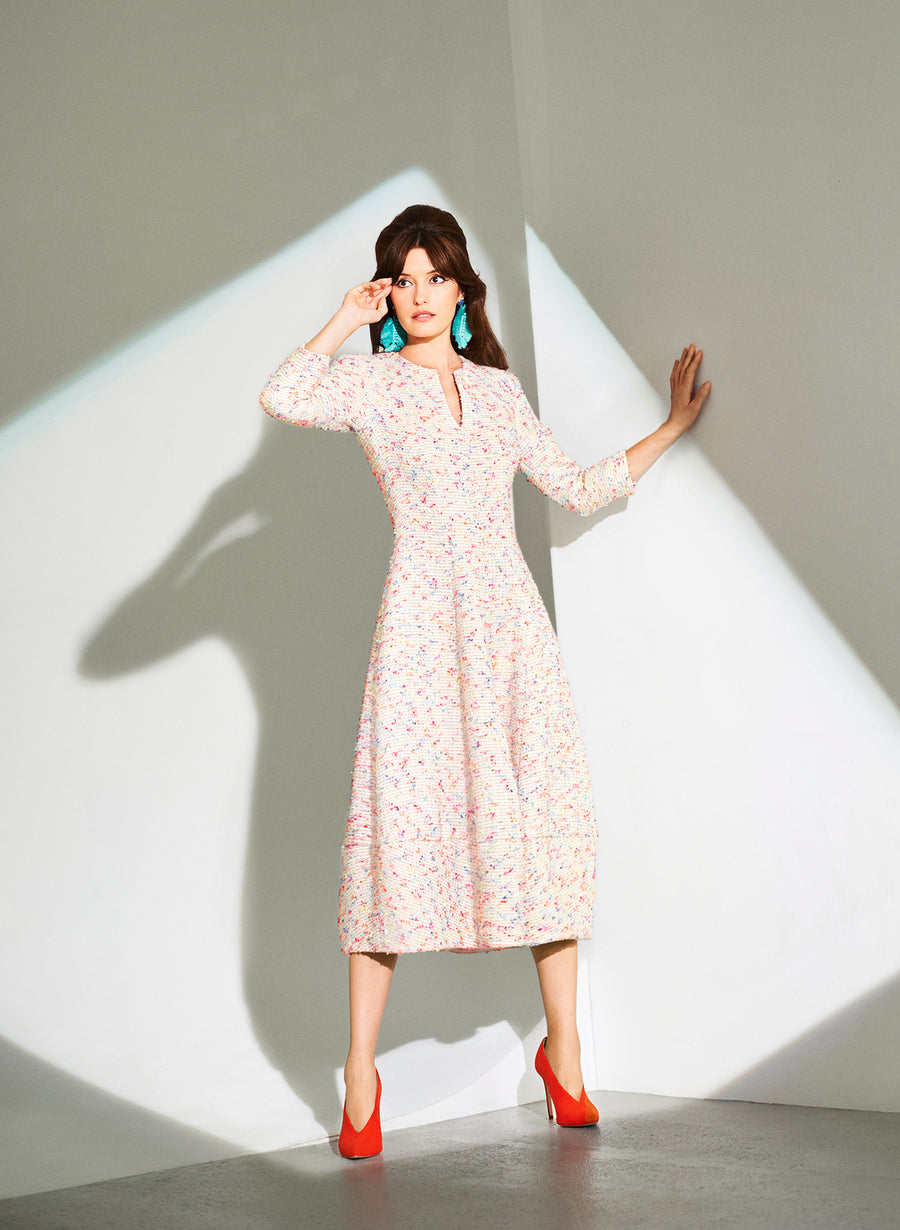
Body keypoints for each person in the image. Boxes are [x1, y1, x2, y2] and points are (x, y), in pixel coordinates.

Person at [260, 204, 710, 1159]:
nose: (420, 294)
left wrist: (670, 427)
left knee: (539, 825)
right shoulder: (371, 385)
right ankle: (360, 1075)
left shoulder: (499, 393)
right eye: (403, 279)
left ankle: (566, 1058)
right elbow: (283, 395)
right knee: (396, 835)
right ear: (389, 293)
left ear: (463, 290)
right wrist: (345, 317)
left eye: (436, 277)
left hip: (510, 635)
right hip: (421, 631)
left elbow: (576, 487)